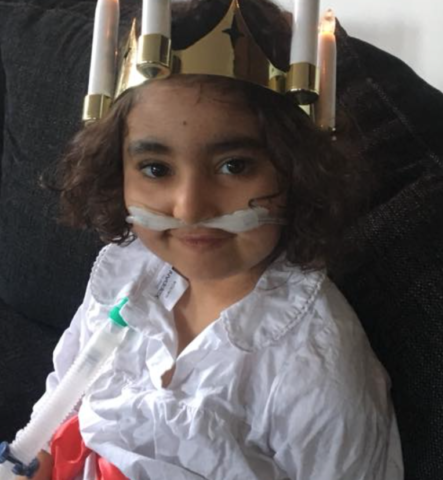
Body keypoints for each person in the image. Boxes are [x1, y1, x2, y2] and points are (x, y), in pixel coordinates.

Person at [22, 0, 404, 479]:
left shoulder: (313, 364)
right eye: (155, 169)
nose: (190, 208)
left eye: (234, 166)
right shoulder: (127, 273)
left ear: (297, 171)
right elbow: (60, 403)